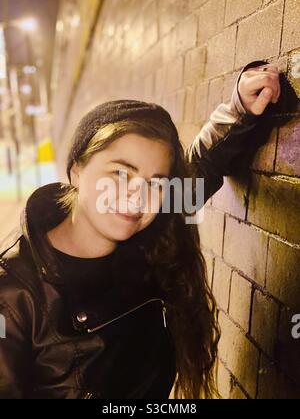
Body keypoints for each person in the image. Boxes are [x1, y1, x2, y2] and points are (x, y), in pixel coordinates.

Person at [0, 60, 280, 399]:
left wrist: (240, 109)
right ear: (76, 171)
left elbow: (202, 166)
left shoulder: (151, 231)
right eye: (120, 174)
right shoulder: (13, 298)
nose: (137, 196)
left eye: (155, 183)